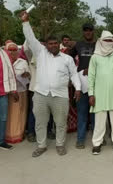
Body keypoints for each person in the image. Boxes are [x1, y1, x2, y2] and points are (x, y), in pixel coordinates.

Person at [21, 11, 81, 157]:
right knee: (40, 122)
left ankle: (60, 144)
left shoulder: (67, 58)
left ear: (59, 45)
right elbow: (30, 38)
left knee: (60, 123)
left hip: (60, 95)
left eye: (55, 43)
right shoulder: (40, 53)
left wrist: (78, 88)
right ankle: (41, 145)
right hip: (40, 94)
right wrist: (25, 22)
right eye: (50, 44)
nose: (53, 45)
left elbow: (74, 74)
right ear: (46, 45)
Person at [88, 30, 113, 155]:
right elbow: (91, 76)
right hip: (99, 94)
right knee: (99, 121)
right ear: (101, 41)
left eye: (111, 40)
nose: (108, 43)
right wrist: (91, 94)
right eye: (106, 40)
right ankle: (97, 143)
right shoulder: (95, 57)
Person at [69, 23, 96, 149]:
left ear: (93, 31)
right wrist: (73, 73)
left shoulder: (99, 45)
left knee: (96, 112)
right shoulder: (78, 45)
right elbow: (68, 59)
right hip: (81, 81)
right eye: (85, 30)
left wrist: (91, 68)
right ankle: (80, 139)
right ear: (83, 32)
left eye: (90, 30)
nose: (88, 32)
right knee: (82, 112)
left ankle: (98, 137)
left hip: (96, 82)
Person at [5, 42, 30, 144]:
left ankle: (19, 134)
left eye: (14, 50)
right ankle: (8, 135)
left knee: (21, 113)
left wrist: (26, 74)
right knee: (9, 115)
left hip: (21, 91)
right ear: (6, 51)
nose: (12, 52)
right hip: (8, 93)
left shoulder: (22, 62)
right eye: (10, 50)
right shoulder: (4, 62)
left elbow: (29, 76)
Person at [0, 42, 17, 150]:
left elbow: (11, 73)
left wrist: (14, 90)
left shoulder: (4, 54)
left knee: (3, 117)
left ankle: (1, 141)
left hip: (3, 92)